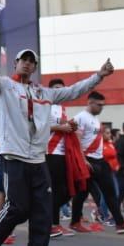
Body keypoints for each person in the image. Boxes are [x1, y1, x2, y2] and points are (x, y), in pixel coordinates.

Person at [0, 41, 113, 246]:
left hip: (38, 159)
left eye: (31, 61)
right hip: (14, 156)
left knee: (43, 212)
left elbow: (74, 91)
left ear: (35, 67)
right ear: (16, 63)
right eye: (23, 60)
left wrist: (98, 76)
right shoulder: (4, 86)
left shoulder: (44, 93)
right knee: (18, 207)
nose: (27, 64)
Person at [69, 93, 124, 233]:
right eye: (99, 105)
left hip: (99, 160)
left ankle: (119, 223)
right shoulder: (81, 117)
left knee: (107, 192)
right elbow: (76, 139)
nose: (102, 108)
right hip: (87, 160)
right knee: (83, 193)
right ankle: (74, 222)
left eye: (103, 105)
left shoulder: (96, 119)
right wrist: (83, 160)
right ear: (90, 102)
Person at [44, 79, 78, 236]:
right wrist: (61, 127)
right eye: (56, 88)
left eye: (62, 89)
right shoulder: (45, 105)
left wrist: (71, 127)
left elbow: (64, 127)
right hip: (50, 153)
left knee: (65, 191)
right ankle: (51, 224)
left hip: (63, 153)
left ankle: (53, 222)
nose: (60, 91)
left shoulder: (63, 107)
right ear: (50, 90)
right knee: (55, 191)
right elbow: (39, 126)